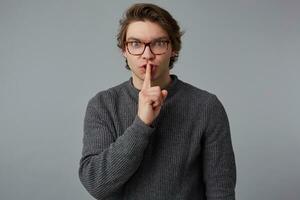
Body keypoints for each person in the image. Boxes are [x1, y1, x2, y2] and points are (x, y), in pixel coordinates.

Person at [79, 3, 236, 200]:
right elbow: (96, 185)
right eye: (135, 44)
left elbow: (221, 192)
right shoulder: (103, 105)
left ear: (174, 49)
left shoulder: (206, 106)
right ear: (124, 51)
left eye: (158, 43)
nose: (147, 54)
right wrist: (142, 124)